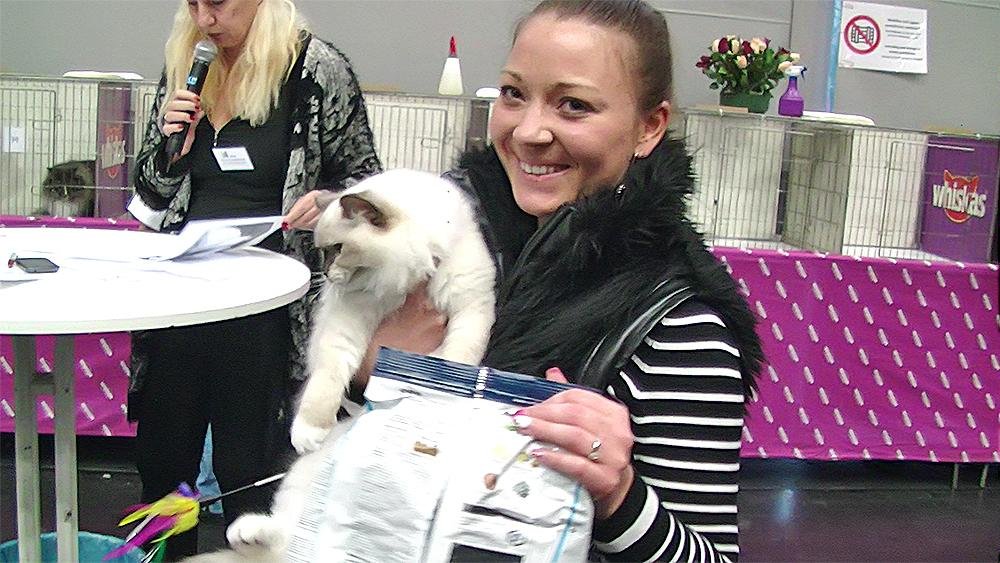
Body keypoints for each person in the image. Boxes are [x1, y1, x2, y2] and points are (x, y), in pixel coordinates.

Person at [439, 1, 764, 560]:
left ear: (649, 126)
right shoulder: (452, 260)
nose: (528, 131)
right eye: (514, 94)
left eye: (574, 105)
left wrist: (618, 496)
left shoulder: (678, 331)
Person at [128, 0, 381, 558]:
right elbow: (148, 196)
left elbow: (366, 182)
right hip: (181, 292)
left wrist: (329, 203)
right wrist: (172, 152)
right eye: (193, 4)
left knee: (249, 470)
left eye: (217, 3)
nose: (205, 18)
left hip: (269, 302)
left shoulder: (316, 70)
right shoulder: (185, 65)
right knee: (163, 463)